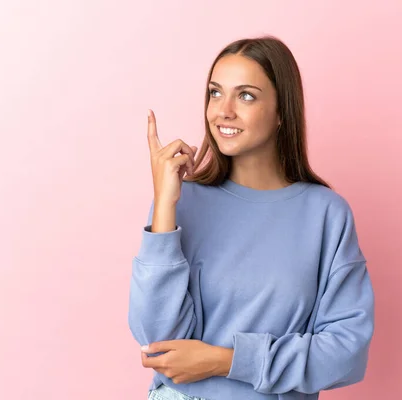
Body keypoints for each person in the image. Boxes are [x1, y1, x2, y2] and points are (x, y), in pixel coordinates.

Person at [128, 35, 375, 400]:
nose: (223, 110)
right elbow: (157, 342)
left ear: (281, 112)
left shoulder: (325, 214)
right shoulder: (183, 203)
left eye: (245, 95)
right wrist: (164, 204)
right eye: (215, 92)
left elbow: (346, 352)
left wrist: (228, 361)